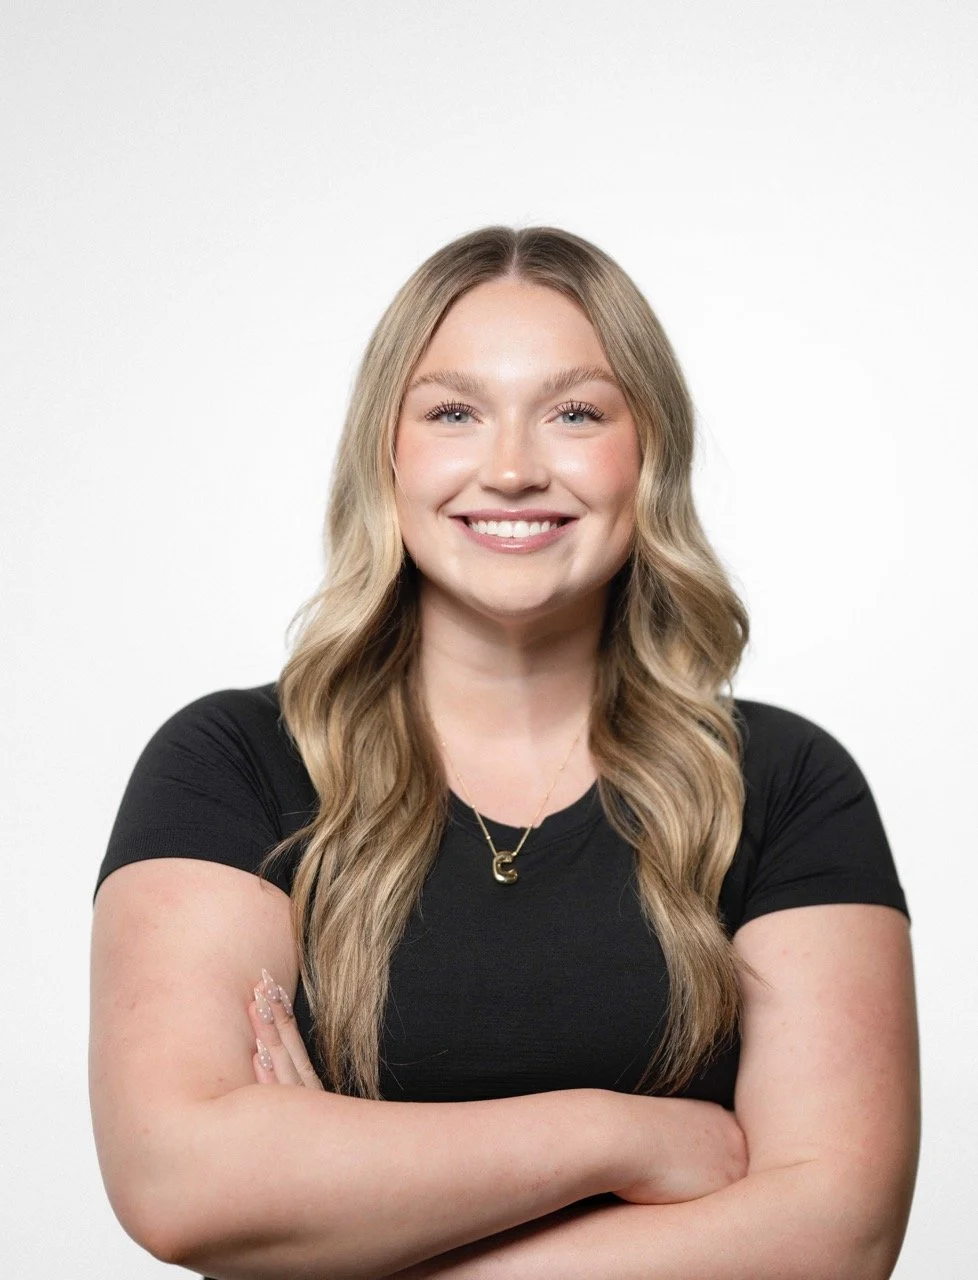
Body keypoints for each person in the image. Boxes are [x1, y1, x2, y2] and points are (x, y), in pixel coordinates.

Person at [90, 224, 919, 1280]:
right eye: (453, 412)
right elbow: (179, 1179)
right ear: (386, 452)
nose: (516, 467)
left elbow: (833, 1234)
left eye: (576, 412)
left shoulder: (788, 784)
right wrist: (623, 1134)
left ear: (648, 449)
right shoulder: (232, 763)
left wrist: (344, 1235)